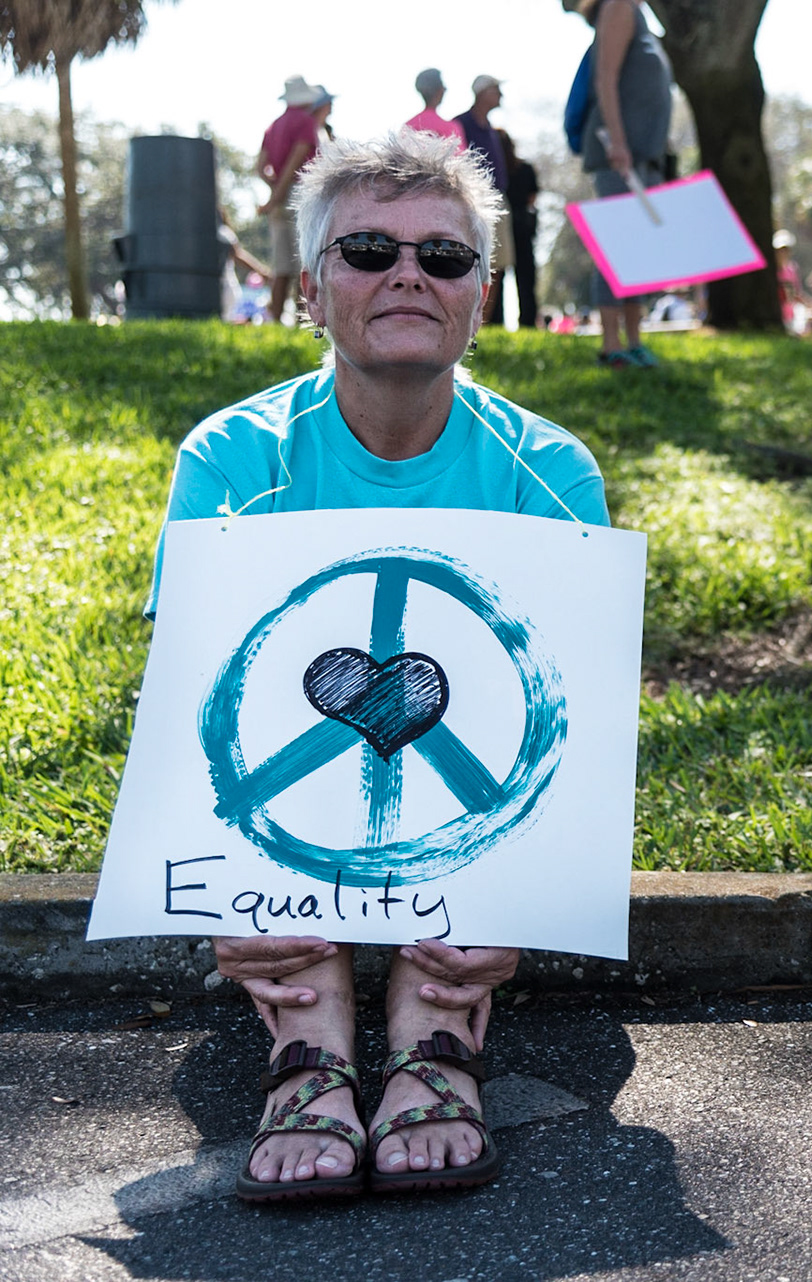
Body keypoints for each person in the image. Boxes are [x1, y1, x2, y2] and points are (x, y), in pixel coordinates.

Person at [151, 130, 609, 1201]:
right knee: (276, 767)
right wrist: (220, 891)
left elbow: (574, 723)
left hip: (476, 817)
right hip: (291, 822)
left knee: (486, 769)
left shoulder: (549, 469)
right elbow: (194, 701)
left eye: (443, 257)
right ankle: (307, 1050)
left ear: (480, 297)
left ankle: (432, 1036)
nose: (408, 274)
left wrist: (523, 896)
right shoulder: (231, 458)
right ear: (313, 291)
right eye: (368, 250)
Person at [565, 0, 674, 369]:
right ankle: (611, 346)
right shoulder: (618, 6)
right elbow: (605, 78)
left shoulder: (636, 13)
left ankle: (635, 342)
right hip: (620, 153)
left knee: (638, 251)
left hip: (644, 155)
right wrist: (619, 142)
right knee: (617, 245)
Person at [256, 76, 331, 324]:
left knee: (280, 265)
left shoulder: (274, 125)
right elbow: (296, 161)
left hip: (279, 199)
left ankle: (275, 320)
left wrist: (274, 192)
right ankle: (303, 322)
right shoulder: (306, 122)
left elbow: (260, 167)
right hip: (301, 195)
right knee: (304, 262)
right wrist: (281, 192)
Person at [454, 75, 513, 326]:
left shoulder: (490, 128)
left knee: (498, 262)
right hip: (470, 201)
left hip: (497, 201)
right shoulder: (460, 124)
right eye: (495, 89)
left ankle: (483, 323)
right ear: (482, 93)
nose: (500, 95)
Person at [497, 129, 540, 329]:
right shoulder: (525, 168)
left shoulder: (497, 171)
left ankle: (496, 320)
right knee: (525, 278)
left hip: (504, 225)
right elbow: (532, 198)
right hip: (522, 227)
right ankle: (527, 321)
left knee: (497, 274)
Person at [405, 69, 466, 146]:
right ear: (439, 90)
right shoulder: (450, 129)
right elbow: (458, 152)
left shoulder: (408, 126)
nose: (445, 89)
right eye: (442, 86)